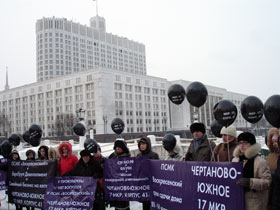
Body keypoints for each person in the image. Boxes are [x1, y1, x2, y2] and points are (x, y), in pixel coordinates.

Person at [233, 132, 271, 210]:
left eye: (245, 143)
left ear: (252, 144)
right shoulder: (236, 160)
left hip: (255, 202)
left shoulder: (260, 162)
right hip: (238, 200)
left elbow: (267, 182)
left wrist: (251, 182)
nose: (242, 145)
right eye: (240, 143)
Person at [137, 137, 159, 210]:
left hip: (152, 184)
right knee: (145, 205)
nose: (142, 146)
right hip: (143, 185)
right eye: (140, 144)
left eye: (144, 144)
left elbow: (157, 170)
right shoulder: (138, 156)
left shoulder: (154, 155)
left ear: (148, 145)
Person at [108, 139, 130, 210]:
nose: (117, 149)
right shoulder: (112, 156)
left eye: (119, 147)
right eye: (116, 147)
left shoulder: (127, 157)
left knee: (124, 205)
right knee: (117, 205)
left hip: (125, 185)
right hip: (115, 185)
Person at [266, 128, 280, 210]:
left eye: (276, 141)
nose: (275, 144)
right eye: (273, 142)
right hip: (271, 191)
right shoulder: (270, 156)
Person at [91, 145, 106, 210]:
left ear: (100, 151)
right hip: (92, 188)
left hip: (101, 188)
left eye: (97, 150)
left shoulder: (105, 160)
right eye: (94, 151)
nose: (95, 153)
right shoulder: (90, 160)